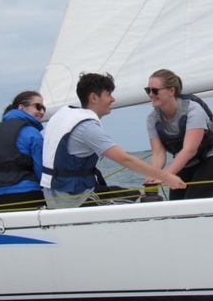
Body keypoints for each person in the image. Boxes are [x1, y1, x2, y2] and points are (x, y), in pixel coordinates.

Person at [42, 72, 186, 208]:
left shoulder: (63, 116)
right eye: (108, 94)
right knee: (140, 203)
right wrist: (167, 177)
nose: (113, 99)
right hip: (74, 200)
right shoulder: (87, 127)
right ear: (93, 98)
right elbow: (124, 159)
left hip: (55, 195)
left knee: (132, 194)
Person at [144, 69, 213, 200]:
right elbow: (158, 153)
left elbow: (189, 150)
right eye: (148, 90)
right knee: (176, 205)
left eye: (155, 91)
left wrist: (165, 176)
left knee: (192, 200)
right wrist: (155, 175)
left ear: (171, 91)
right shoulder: (152, 118)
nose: (151, 95)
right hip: (187, 163)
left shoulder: (194, 110)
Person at [0, 91, 46, 209]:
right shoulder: (31, 132)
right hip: (25, 195)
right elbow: (41, 170)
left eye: (43, 108)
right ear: (21, 107)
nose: (42, 112)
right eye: (38, 107)